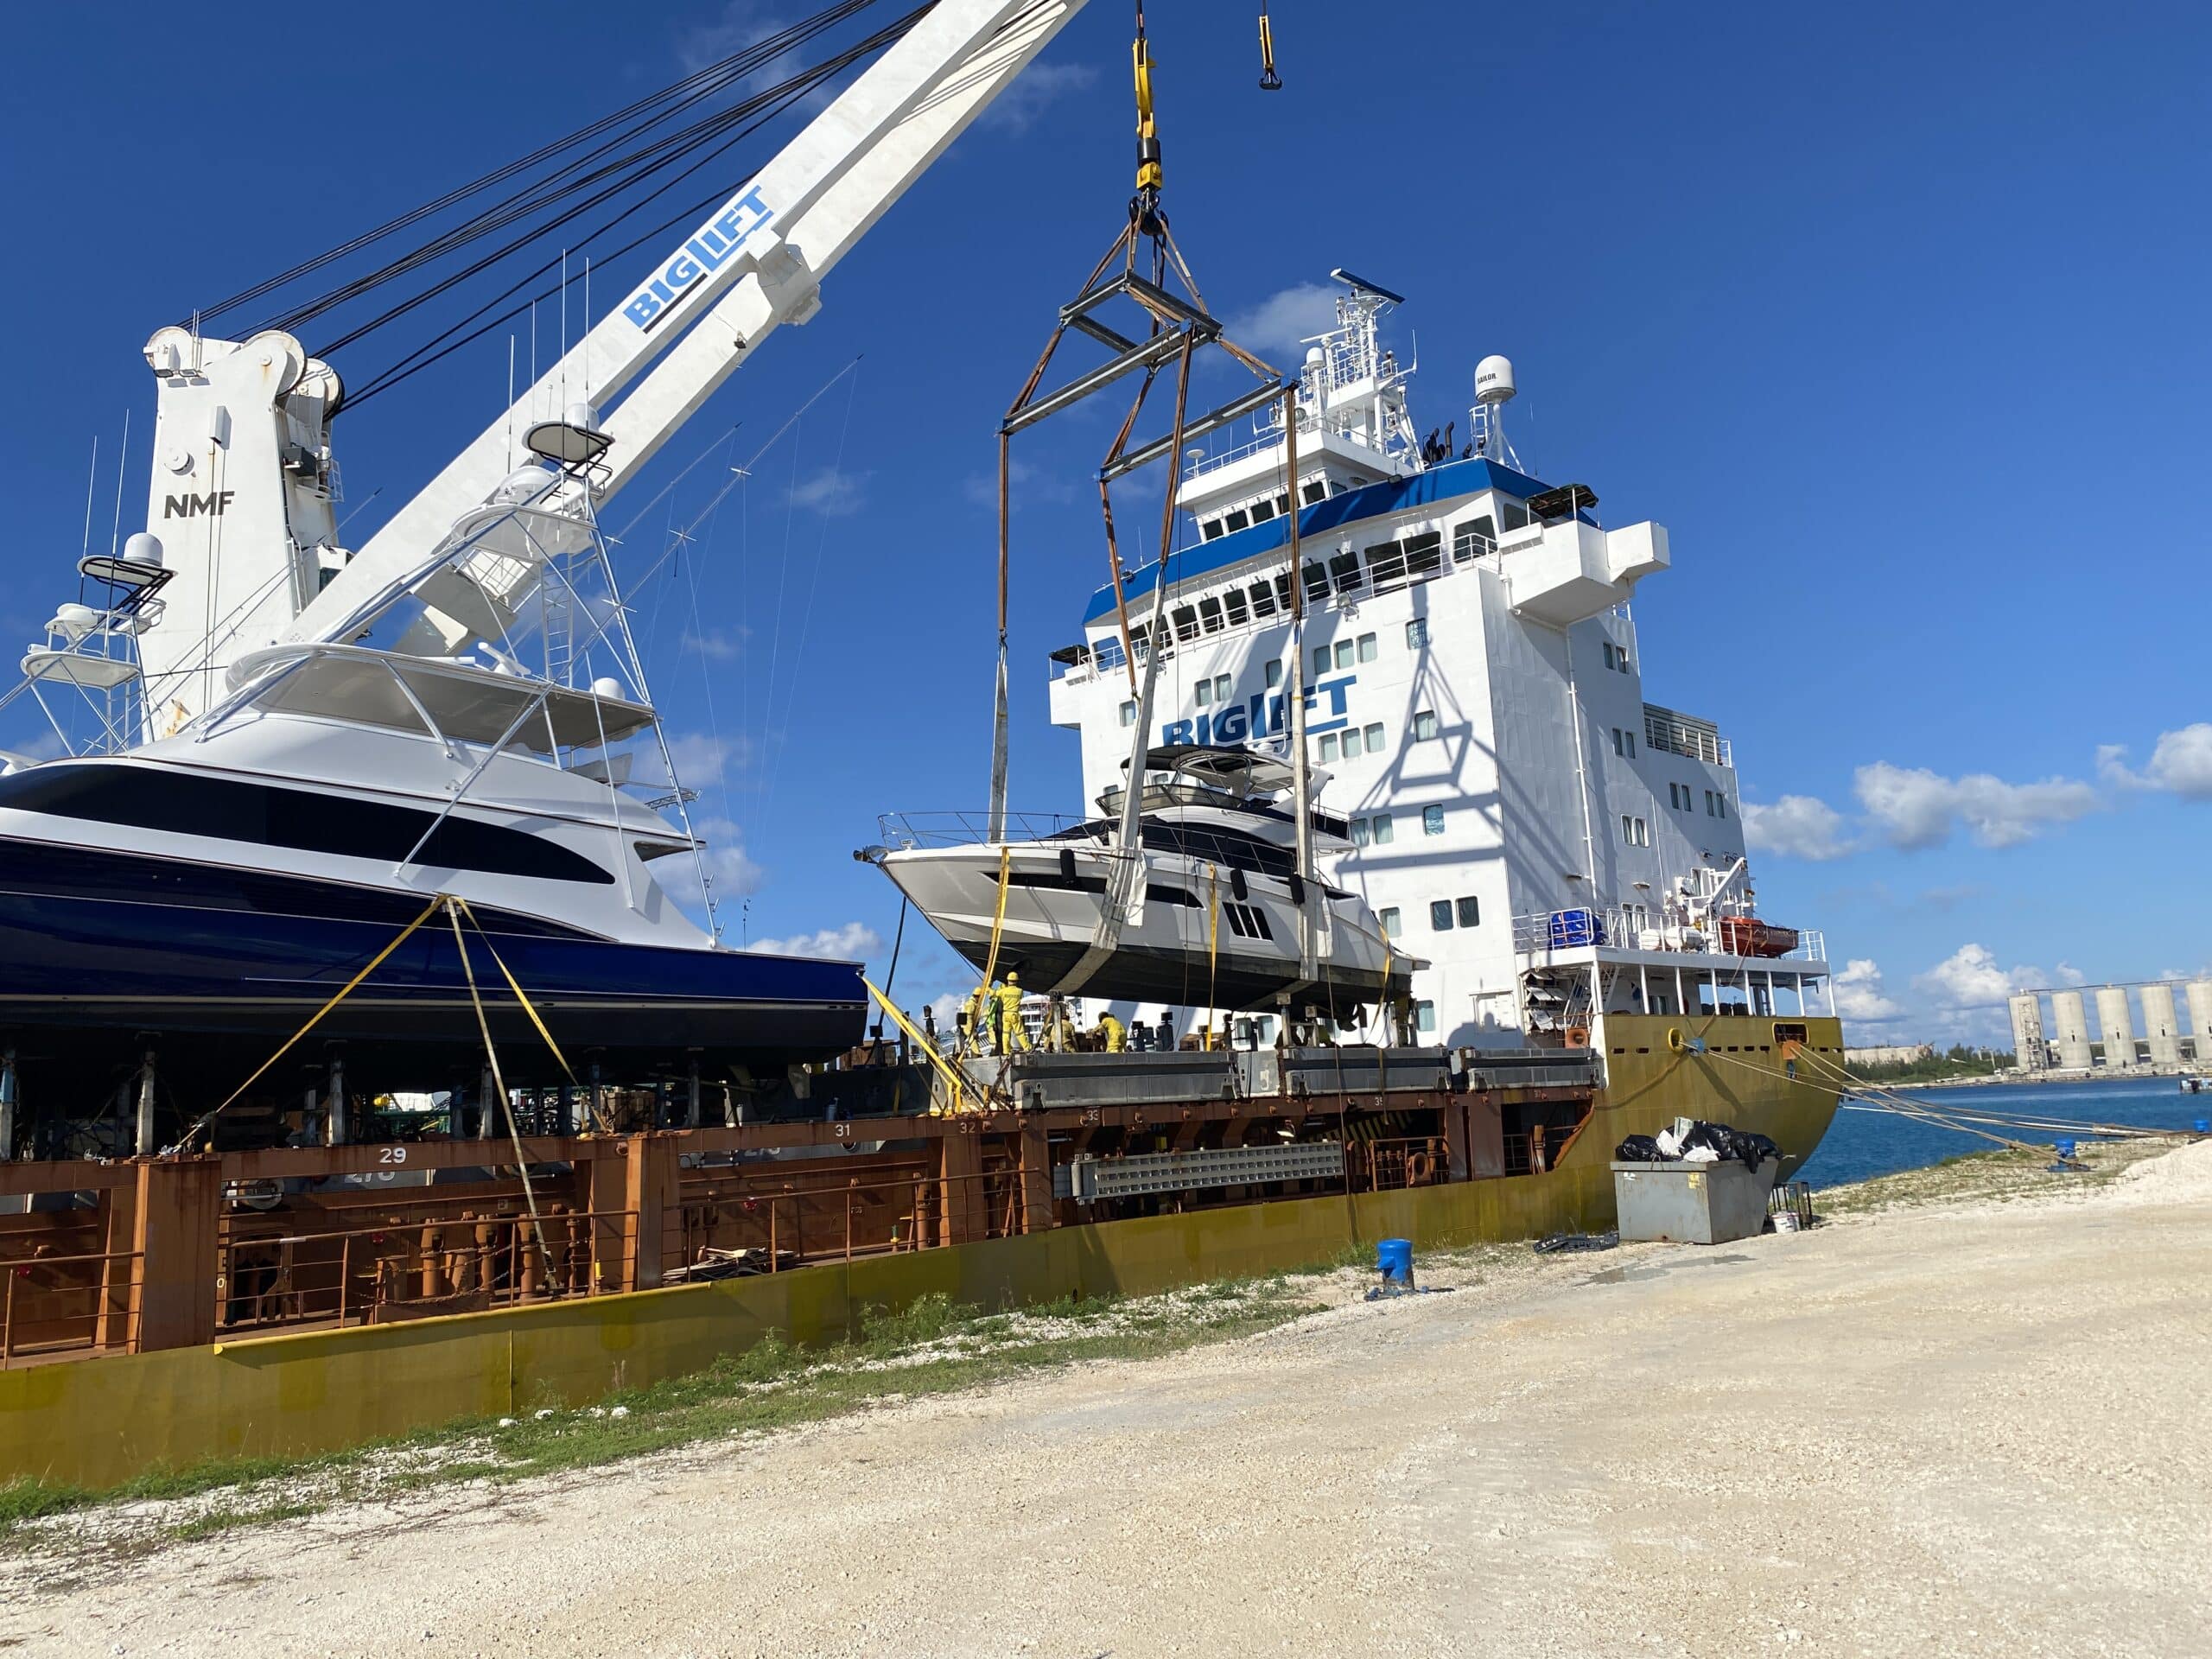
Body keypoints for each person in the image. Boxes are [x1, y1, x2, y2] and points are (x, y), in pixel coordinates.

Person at [993, 970, 1031, 1052]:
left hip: (1006, 1014)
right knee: (1020, 1032)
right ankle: (1027, 1047)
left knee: (1006, 1033)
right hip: (1014, 1014)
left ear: (1008, 980)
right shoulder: (1020, 991)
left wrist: (988, 987)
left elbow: (994, 993)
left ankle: (1006, 1050)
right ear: (1016, 981)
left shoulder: (1003, 991)